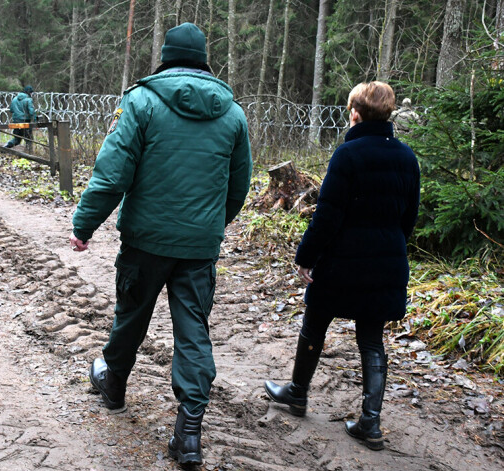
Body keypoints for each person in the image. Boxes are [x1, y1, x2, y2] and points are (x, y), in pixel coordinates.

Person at [69, 22, 252, 466]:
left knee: (131, 314)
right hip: (199, 247)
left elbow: (114, 173)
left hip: (146, 240)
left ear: (165, 58)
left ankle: (113, 387)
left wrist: (84, 224)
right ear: (205, 59)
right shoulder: (233, 114)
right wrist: (211, 225)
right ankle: (188, 434)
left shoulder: (142, 101)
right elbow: (239, 185)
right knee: (193, 332)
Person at [264, 82, 420, 451]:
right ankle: (370, 422)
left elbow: (328, 216)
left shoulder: (347, 155)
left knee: (315, 321)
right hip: (387, 259)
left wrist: (306, 256)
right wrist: (390, 245)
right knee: (371, 337)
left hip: (343, 261)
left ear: (355, 113)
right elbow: (409, 218)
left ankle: (298, 393)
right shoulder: (407, 157)